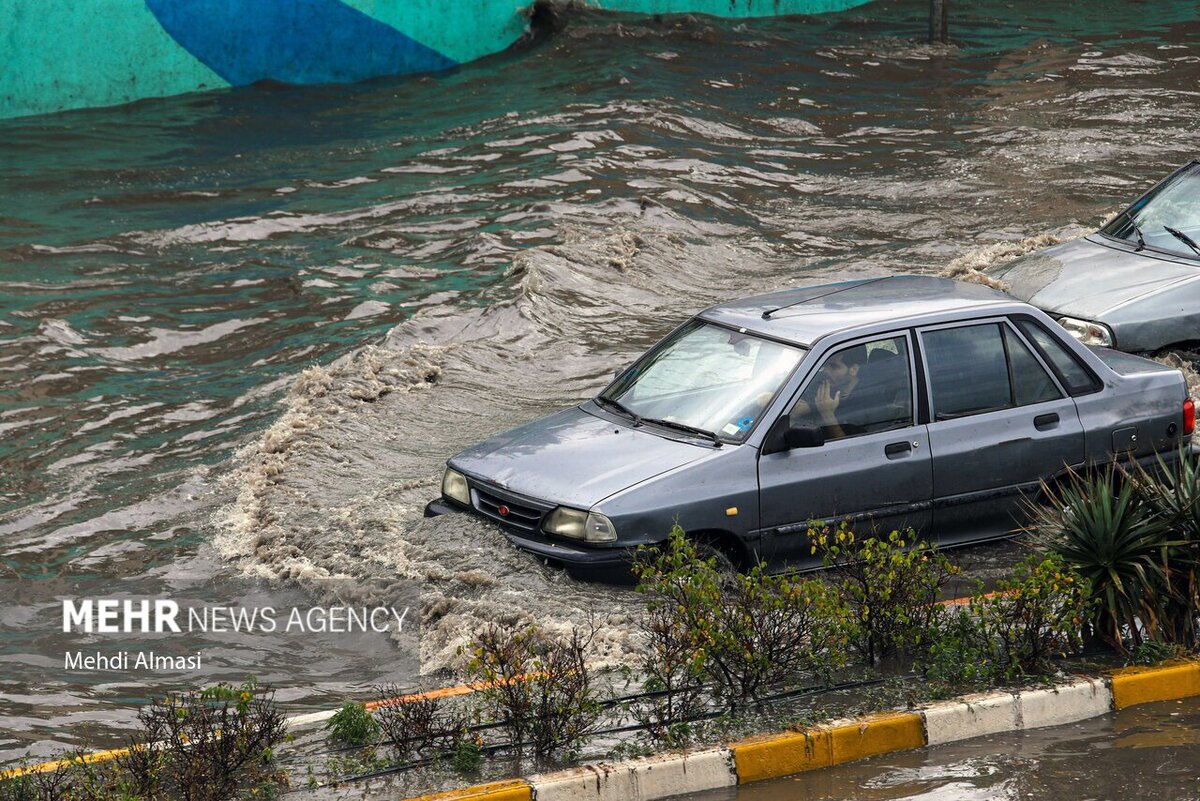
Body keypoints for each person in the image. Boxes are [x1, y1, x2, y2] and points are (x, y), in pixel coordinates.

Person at [789, 345, 873, 440]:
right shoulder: (820, 381)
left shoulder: (867, 402)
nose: (826, 371)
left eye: (834, 366)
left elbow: (851, 450)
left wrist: (827, 414)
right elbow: (797, 407)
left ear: (853, 369)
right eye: (826, 365)